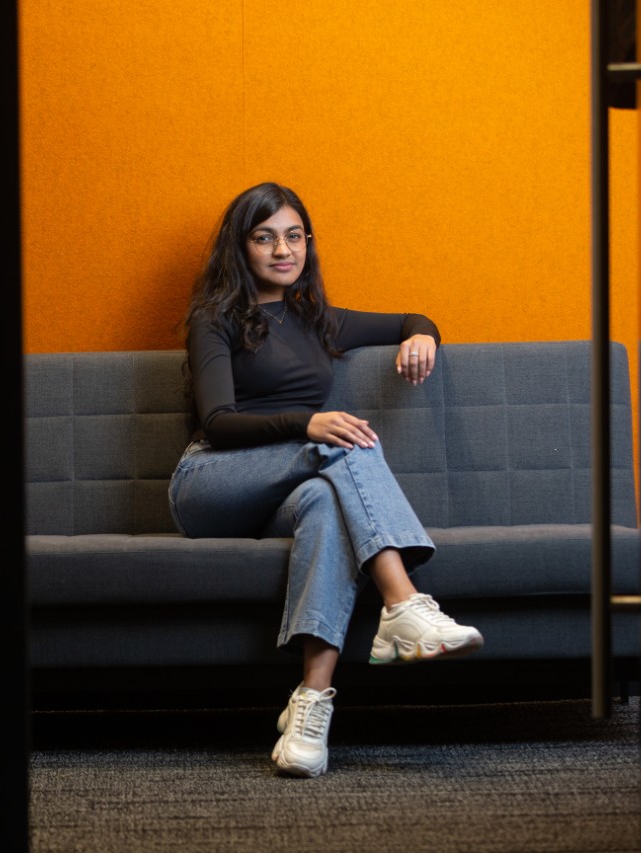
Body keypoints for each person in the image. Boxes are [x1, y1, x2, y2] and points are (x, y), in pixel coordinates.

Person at [168, 182, 483, 778]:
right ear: (241, 248)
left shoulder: (319, 321)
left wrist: (424, 335)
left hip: (287, 491)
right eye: (264, 238)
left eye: (293, 236)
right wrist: (308, 423)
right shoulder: (216, 319)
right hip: (210, 482)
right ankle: (403, 603)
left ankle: (311, 703)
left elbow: (413, 317)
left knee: (322, 504)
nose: (282, 250)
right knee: (342, 443)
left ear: (308, 243)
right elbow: (219, 422)